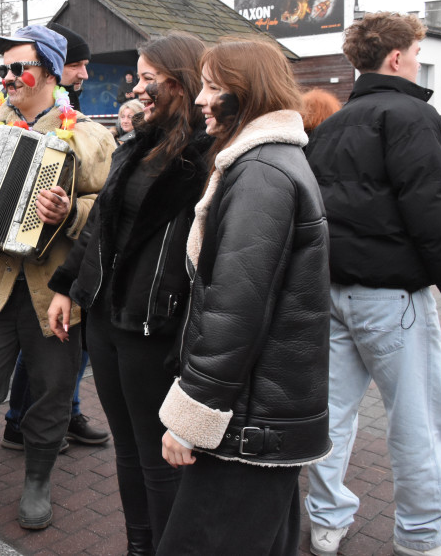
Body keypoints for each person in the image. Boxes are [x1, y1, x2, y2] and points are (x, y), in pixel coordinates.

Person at [0, 25, 116, 537]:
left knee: (52, 394)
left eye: (17, 67)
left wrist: (70, 211)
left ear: (51, 73)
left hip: (53, 295)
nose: (7, 77)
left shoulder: (93, 137)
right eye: (2, 69)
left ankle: (37, 482)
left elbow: (111, 211)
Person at [304, 12, 441, 556]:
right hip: (390, 299)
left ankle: (326, 522)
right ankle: (422, 535)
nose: (419, 62)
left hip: (331, 293)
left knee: (330, 416)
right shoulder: (410, 113)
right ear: (398, 58)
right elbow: (428, 204)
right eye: (418, 54)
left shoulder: (333, 124)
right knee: (418, 419)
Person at [156, 38, 331, 555]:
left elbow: (236, 311)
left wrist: (192, 421)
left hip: (248, 422)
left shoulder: (261, 174)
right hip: (261, 415)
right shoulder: (268, 163)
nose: (201, 101)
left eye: (213, 88)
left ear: (246, 93)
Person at [47, 31, 211, 554]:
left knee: (155, 452)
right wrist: (67, 287)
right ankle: (140, 546)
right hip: (106, 318)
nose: (136, 87)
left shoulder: (208, 156)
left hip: (154, 325)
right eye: (136, 77)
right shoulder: (137, 144)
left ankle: (166, 548)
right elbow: (102, 228)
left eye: (147, 78)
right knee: (127, 449)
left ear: (180, 80)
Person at [2, 22, 109, 453]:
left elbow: (103, 203)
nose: (83, 73)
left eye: (17, 69)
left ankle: (60, 417)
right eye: (77, 64)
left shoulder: (86, 129)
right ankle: (19, 423)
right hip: (4, 276)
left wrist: (69, 214)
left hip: (59, 273)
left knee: (59, 363)